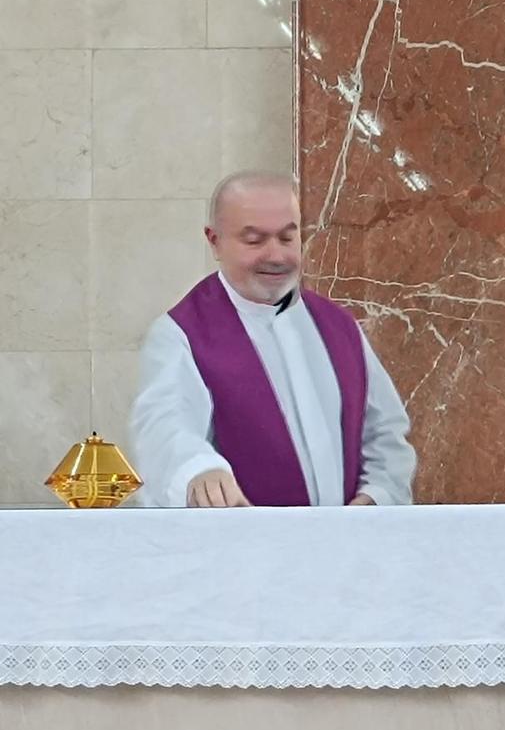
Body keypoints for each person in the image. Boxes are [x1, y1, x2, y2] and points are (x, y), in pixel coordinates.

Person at [130, 172, 416, 508]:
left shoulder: (339, 326)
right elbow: (165, 427)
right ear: (214, 240)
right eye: (254, 240)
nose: (276, 256)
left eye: (286, 238)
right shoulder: (182, 334)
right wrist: (199, 470)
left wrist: (376, 497)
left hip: (343, 548)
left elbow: (385, 435)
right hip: (242, 549)